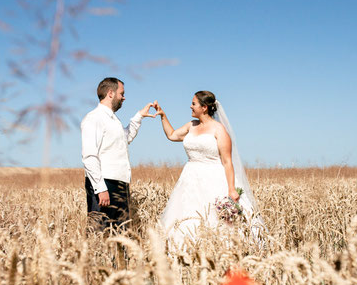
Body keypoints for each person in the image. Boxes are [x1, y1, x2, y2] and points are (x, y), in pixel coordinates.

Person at [153, 91, 260, 249]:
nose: (190, 106)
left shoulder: (219, 129)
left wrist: (231, 189)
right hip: (190, 179)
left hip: (213, 178)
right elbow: (172, 135)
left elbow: (227, 161)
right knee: (187, 216)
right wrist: (163, 115)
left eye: (194, 103)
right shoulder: (191, 125)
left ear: (204, 107)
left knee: (216, 221)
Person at [81, 77, 156, 233]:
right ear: (110, 93)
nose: (124, 97)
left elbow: (125, 138)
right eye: (121, 93)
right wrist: (100, 188)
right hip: (104, 183)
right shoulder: (94, 118)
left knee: (120, 233)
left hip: (120, 182)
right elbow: (89, 156)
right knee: (100, 232)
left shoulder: (113, 120)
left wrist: (139, 116)